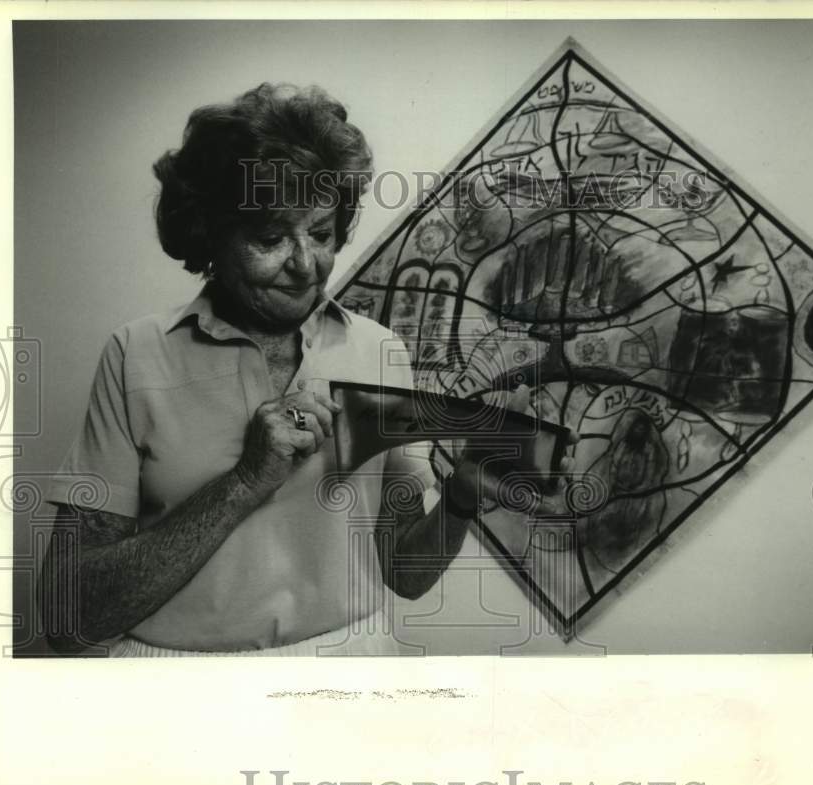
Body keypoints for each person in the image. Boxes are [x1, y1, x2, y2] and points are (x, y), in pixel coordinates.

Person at [38, 83, 575, 657]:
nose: (305, 264)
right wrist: (244, 482)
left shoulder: (379, 349)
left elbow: (406, 575)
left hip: (353, 667)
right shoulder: (135, 355)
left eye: (320, 233)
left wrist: (464, 492)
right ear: (209, 235)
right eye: (270, 238)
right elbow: (70, 620)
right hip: (182, 689)